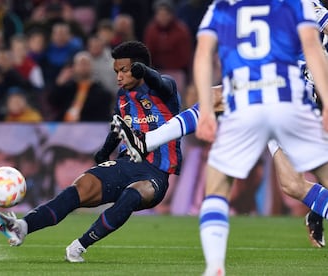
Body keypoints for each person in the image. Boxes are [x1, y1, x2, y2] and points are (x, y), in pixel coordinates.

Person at [115, 0, 328, 250]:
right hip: (267, 86)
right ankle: (147, 142)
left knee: (218, 103)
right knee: (291, 183)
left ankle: (147, 141)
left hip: (297, 90)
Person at [0, 40, 182, 263]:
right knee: (78, 188)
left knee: (131, 195)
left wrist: (145, 72)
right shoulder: (122, 96)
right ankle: (21, 227)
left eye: (124, 71)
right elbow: (118, 127)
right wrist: (104, 152)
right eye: (116, 71)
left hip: (155, 172)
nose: (118, 76)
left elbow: (162, 83)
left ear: (138, 68)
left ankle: (79, 246)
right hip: (126, 164)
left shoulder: (164, 89)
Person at [194, 0, 328, 274]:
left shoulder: (225, 7)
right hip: (291, 96)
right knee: (291, 183)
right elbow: (313, 46)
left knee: (218, 182)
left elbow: (204, 54)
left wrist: (207, 112)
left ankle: (215, 266)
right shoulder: (298, 6)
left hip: (266, 95)